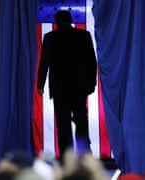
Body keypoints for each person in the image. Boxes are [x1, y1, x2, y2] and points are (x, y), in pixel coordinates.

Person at [37, 10, 97, 158]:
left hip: (60, 88)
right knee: (81, 120)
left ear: (56, 22)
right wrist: (92, 83)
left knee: (63, 122)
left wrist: (40, 84)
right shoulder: (84, 35)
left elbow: (44, 63)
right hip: (80, 87)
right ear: (70, 20)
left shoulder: (50, 38)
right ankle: (84, 154)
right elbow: (91, 61)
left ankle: (66, 156)